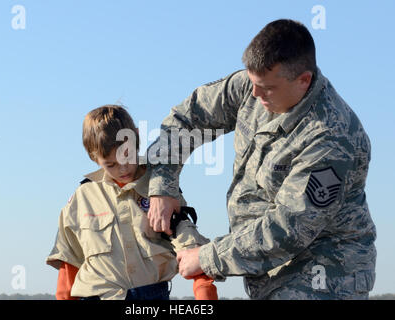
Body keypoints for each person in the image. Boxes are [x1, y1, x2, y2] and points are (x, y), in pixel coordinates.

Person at [146, 19, 377, 299]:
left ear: (303, 80)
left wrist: (206, 258)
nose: (255, 95)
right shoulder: (254, 87)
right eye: (252, 82)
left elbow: (288, 229)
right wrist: (163, 185)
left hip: (322, 277)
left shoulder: (331, 136)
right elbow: (187, 118)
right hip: (267, 274)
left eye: (266, 88)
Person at [46, 105, 218, 300]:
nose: (123, 168)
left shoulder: (161, 189)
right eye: (111, 164)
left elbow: (190, 246)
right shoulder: (82, 198)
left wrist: (205, 297)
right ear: (94, 157)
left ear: (137, 137)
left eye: (127, 155)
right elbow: (70, 262)